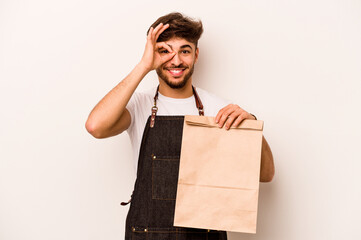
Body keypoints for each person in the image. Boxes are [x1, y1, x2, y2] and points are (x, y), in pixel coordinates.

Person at [85, 12, 274, 240]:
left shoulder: (219, 110)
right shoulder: (138, 105)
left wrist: (250, 126)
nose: (175, 61)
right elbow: (96, 126)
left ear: (196, 55)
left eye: (184, 51)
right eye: (165, 51)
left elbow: (266, 173)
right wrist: (143, 66)